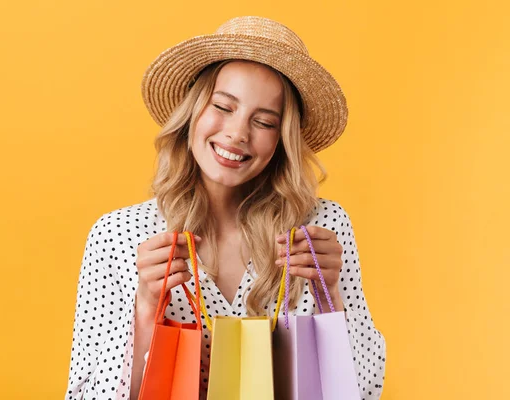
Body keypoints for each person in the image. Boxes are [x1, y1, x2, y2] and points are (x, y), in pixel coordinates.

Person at [65, 16, 386, 400]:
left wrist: (330, 296)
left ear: (282, 140)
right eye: (223, 106)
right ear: (193, 111)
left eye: (265, 122)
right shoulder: (118, 235)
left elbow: (364, 390)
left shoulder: (320, 228)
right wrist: (148, 310)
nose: (237, 133)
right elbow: (84, 395)